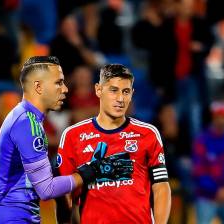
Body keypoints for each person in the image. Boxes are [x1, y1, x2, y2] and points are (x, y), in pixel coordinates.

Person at [0, 56, 133, 224]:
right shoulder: (28, 124)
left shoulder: (24, 117)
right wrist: (94, 170)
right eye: (58, 83)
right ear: (38, 87)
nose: (65, 89)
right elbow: (46, 189)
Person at [57, 64, 171, 223]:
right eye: (113, 90)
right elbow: (65, 195)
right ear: (98, 90)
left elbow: (160, 186)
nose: (120, 98)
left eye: (126, 92)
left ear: (132, 94)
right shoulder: (72, 136)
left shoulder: (148, 134)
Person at [192, 100, 224, 224]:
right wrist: (215, 190)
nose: (221, 120)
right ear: (213, 117)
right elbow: (198, 171)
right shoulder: (202, 140)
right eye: (218, 117)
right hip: (207, 196)